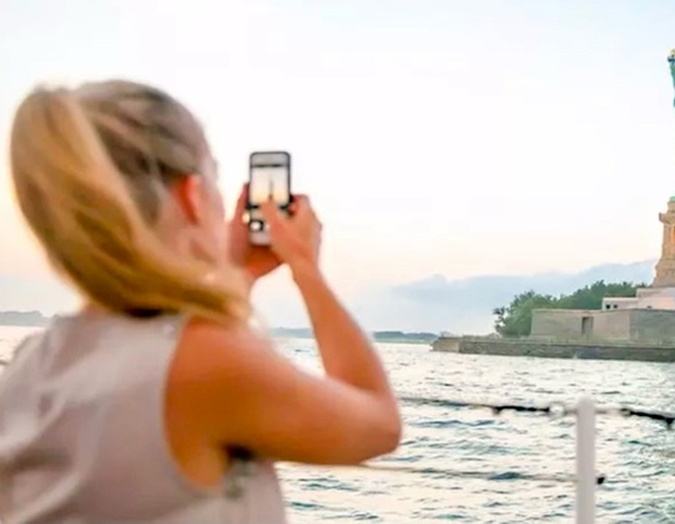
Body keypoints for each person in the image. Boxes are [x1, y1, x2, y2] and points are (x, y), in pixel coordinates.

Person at [0, 80, 402, 523]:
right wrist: (307, 270)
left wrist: (238, 272)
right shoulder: (204, 362)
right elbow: (378, 425)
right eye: (213, 173)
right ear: (192, 197)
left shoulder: (29, 367)